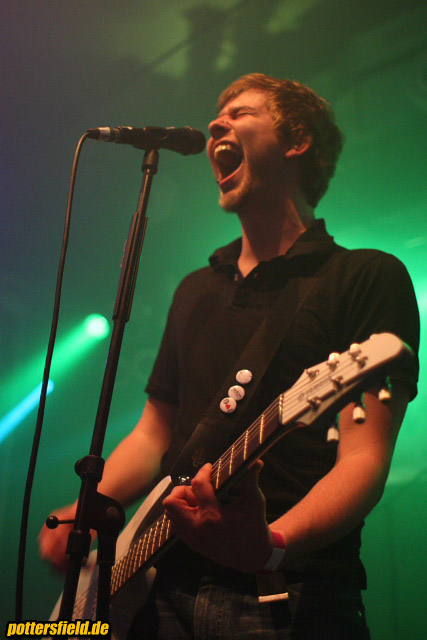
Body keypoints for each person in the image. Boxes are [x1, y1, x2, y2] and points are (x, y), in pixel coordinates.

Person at [39, 73, 419, 639]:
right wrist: (85, 509)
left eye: (241, 114)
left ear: (297, 141)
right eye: (219, 116)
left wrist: (270, 546)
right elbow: (153, 433)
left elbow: (364, 460)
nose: (217, 123)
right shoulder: (195, 289)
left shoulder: (364, 275)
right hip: (160, 591)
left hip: (288, 593)